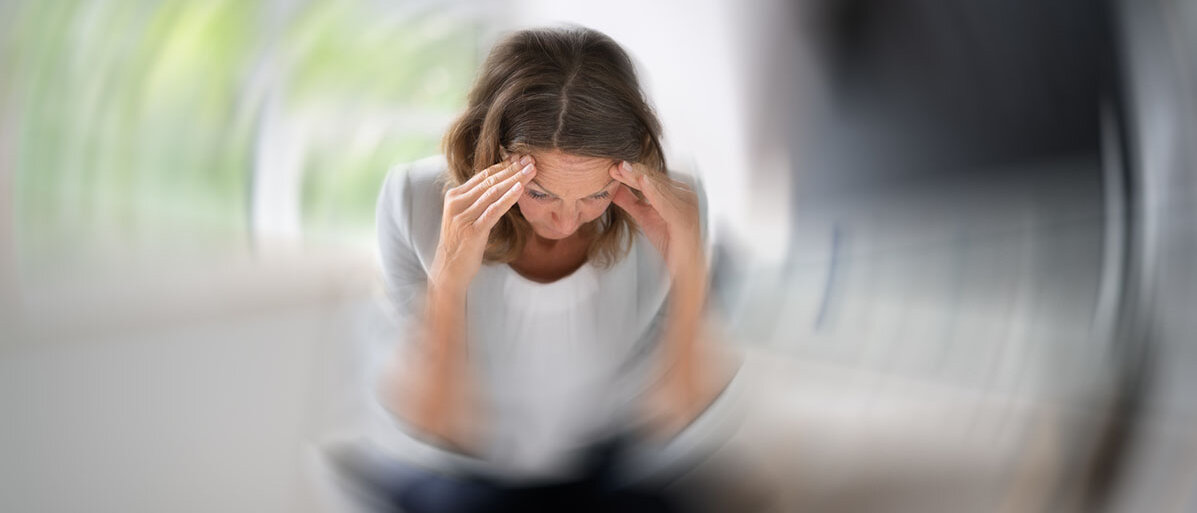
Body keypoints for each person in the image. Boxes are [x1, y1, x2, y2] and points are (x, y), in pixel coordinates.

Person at [363, 25, 736, 513]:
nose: (564, 220)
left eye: (596, 195)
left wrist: (687, 265)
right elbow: (436, 422)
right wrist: (449, 280)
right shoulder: (414, 200)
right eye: (539, 193)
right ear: (489, 154)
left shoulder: (671, 205)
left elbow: (677, 413)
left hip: (606, 463)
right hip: (468, 468)